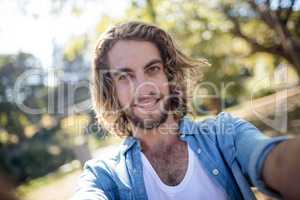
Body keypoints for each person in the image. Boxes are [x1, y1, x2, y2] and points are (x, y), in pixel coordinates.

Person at [72, 21, 300, 200]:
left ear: (169, 76)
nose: (143, 87)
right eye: (125, 76)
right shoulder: (104, 175)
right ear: (110, 91)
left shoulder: (225, 135)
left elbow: (277, 161)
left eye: (152, 69)